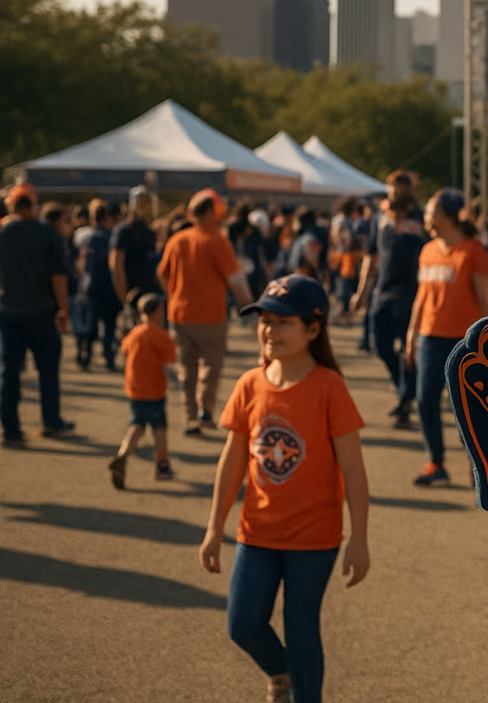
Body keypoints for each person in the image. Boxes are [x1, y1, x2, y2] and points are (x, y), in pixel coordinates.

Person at [199, 274, 370, 703]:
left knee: (302, 632)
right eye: (264, 321)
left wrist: (360, 538)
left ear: (314, 329)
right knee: (242, 624)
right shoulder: (249, 384)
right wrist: (213, 528)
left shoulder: (330, 387)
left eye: (282, 322)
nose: (269, 331)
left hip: (314, 539)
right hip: (256, 532)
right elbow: (232, 462)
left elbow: (354, 470)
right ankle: (280, 673)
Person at [403, 189, 488, 486]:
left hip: (463, 341)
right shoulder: (427, 250)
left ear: (448, 215)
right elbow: (420, 297)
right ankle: (436, 463)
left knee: (465, 407)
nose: (426, 218)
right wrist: (411, 334)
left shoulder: (473, 251)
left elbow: (484, 297)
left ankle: (478, 466)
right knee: (425, 400)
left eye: (431, 212)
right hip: (429, 336)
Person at [158, 189, 253, 436]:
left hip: (179, 313)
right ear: (211, 212)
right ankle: (205, 410)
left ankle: (190, 415)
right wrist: (248, 305)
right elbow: (235, 279)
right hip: (211, 315)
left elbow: (162, 274)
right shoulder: (217, 240)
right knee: (211, 364)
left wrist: (174, 294)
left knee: (186, 367)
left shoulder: (177, 240)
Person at [0, 183, 75, 445]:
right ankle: (51, 420)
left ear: (11, 205)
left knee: (9, 372)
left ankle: (10, 427)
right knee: (48, 371)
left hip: (9, 311)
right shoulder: (46, 233)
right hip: (42, 310)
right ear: (32, 205)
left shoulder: (3, 232)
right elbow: (58, 276)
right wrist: (63, 309)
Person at [351, 193, 423, 429]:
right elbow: (370, 259)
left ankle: (405, 400)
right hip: (382, 294)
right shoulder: (379, 223)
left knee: (407, 350)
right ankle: (403, 387)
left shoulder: (421, 223)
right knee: (380, 345)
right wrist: (361, 294)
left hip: (409, 295)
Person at [108, 293, 178, 488]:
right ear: (157, 312)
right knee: (159, 429)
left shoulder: (134, 333)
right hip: (155, 391)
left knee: (136, 425)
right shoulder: (162, 337)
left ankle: (123, 454)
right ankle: (162, 465)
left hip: (135, 390)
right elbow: (168, 364)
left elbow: (123, 353)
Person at [75, 199, 123, 370]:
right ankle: (108, 357)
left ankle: (86, 353)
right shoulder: (114, 238)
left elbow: (82, 265)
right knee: (109, 326)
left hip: (91, 287)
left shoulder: (89, 238)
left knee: (90, 324)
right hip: (109, 288)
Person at [110, 185, 162, 309]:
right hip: (132, 293)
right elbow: (116, 266)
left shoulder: (151, 232)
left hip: (151, 294)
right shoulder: (124, 231)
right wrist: (124, 297)